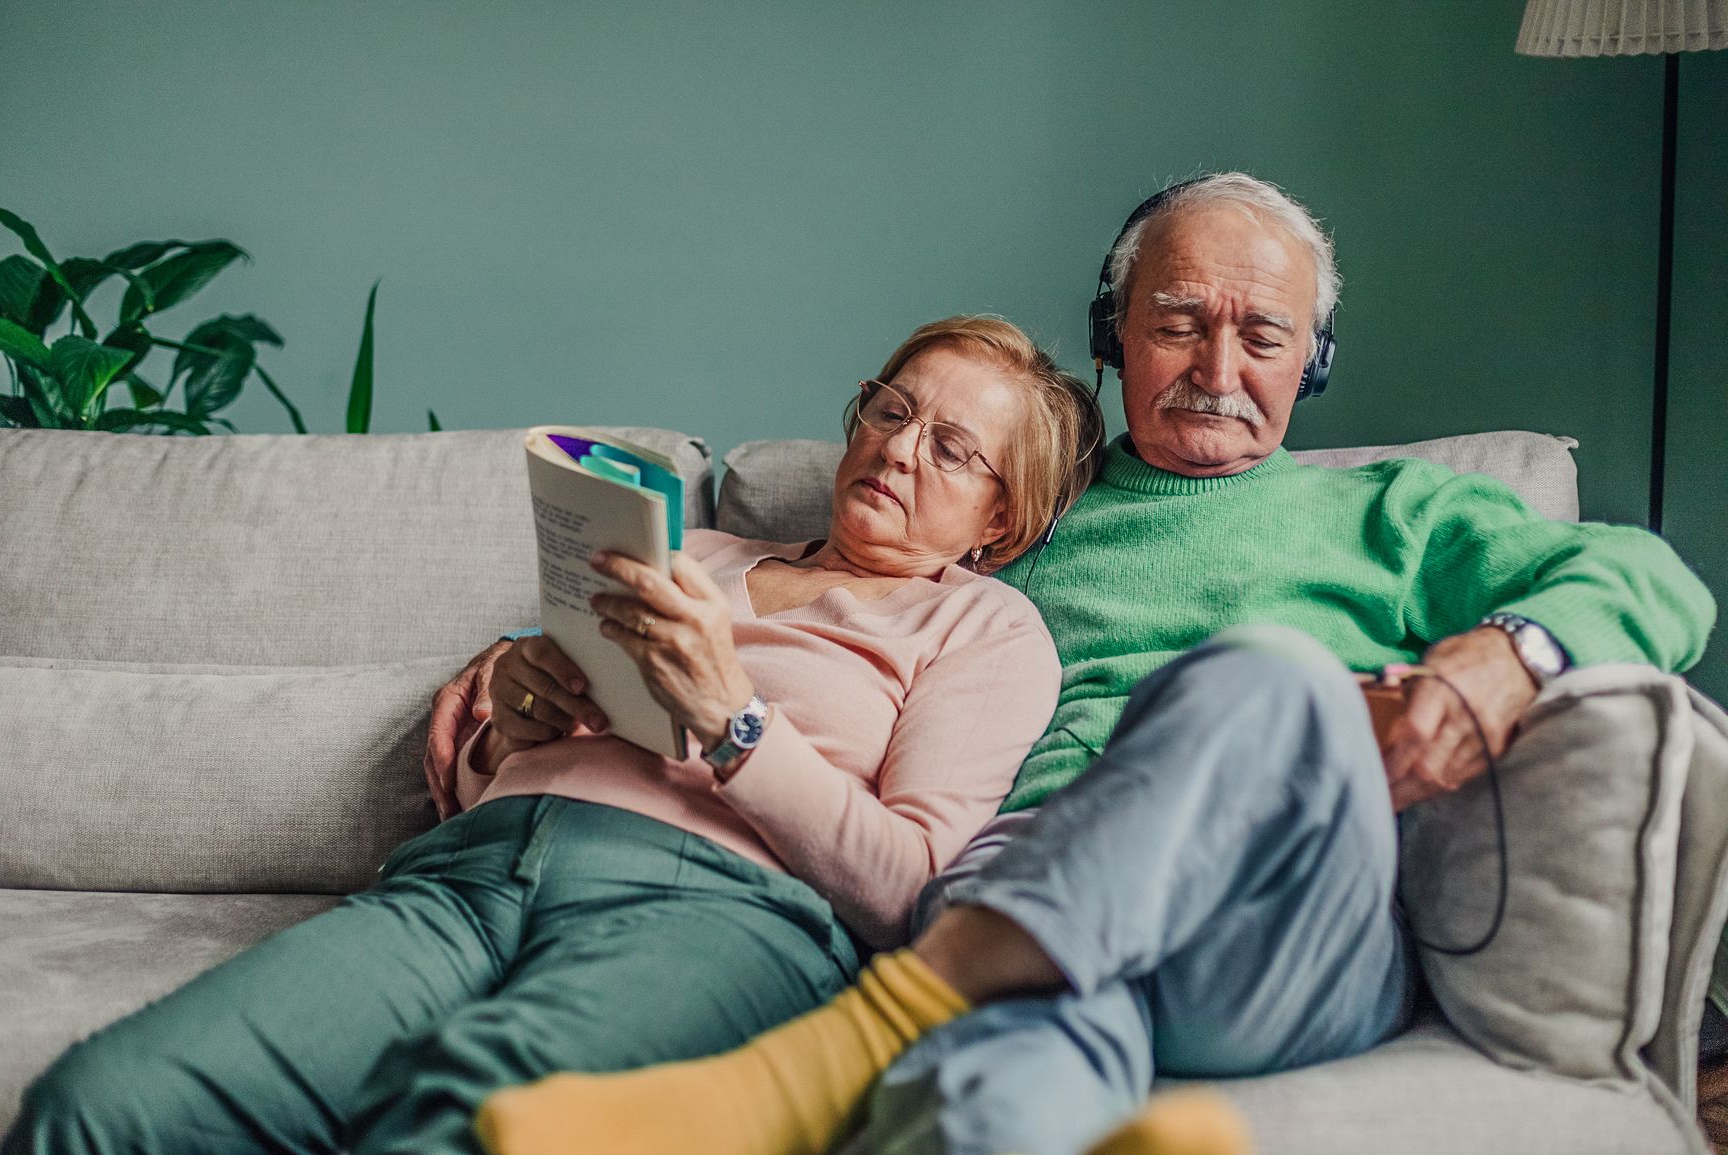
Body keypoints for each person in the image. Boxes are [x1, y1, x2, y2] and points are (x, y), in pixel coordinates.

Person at [461, 174, 1717, 1155]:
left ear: (1312, 360)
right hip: (1024, 885)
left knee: (1263, 676)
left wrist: (1504, 658)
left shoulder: (1392, 510)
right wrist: (551, 674)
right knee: (975, 1111)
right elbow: (811, 639)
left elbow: (1654, 579)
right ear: (1112, 337)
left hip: (1274, 918)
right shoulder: (1010, 507)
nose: (1217, 372)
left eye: (1262, 338)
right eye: (1176, 325)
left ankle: (834, 1055)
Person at [0, 316, 1106, 1155]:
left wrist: (734, 722)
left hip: (715, 912)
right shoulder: (691, 549)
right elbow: (484, 760)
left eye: (953, 449)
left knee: (468, 1124)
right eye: (891, 410)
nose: (900, 449)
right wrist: (513, 714)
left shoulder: (981, 627)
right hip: (467, 877)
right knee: (102, 1104)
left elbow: (910, 888)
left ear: (1001, 519)